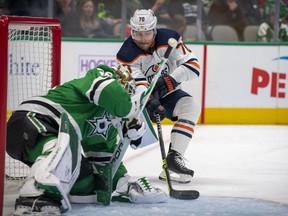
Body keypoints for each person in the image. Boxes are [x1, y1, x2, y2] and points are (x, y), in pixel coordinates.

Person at [6, 64, 167, 215]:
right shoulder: (103, 75)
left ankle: (48, 194)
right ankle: (32, 197)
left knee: (86, 185)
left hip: (46, 140)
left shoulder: (109, 127)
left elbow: (105, 165)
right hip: (31, 120)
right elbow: (112, 94)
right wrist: (130, 113)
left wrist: (125, 183)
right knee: (65, 151)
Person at [116, 9, 201, 183]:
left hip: (169, 94)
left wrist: (171, 80)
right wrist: (147, 100)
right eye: (138, 34)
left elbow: (194, 67)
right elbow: (134, 86)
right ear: (131, 32)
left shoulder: (170, 40)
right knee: (124, 129)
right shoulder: (126, 54)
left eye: (147, 33)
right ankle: (109, 165)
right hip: (138, 102)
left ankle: (173, 160)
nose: (142, 39)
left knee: (190, 106)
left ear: (154, 30)